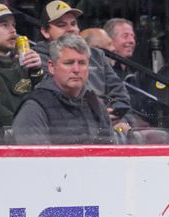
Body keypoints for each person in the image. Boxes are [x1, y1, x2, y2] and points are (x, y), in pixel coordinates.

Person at [32, 1, 131, 134]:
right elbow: (59, 97)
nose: (71, 29)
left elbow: (119, 93)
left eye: (73, 24)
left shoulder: (96, 54)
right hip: (68, 126)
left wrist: (117, 113)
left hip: (107, 122)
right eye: (62, 25)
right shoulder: (38, 58)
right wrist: (96, 113)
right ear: (45, 31)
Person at [12, 34, 111, 144]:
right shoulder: (34, 107)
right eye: (69, 63)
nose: (76, 69)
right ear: (51, 66)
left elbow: (109, 153)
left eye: (82, 63)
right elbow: (35, 159)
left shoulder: (95, 103)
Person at [0, 3, 43, 128]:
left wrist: (37, 72)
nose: (13, 30)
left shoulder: (22, 61)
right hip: (5, 137)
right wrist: (25, 128)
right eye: (4, 25)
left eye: (13, 25)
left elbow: (42, 101)